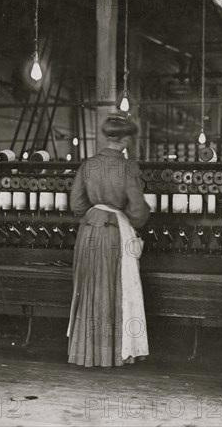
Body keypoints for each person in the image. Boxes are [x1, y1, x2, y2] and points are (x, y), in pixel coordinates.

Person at [67, 112, 150, 367]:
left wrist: (93, 214)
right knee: (115, 289)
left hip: (89, 230)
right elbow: (138, 210)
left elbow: (76, 203)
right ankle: (112, 353)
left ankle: (85, 353)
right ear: (125, 139)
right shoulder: (127, 167)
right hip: (114, 231)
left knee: (90, 287)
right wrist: (134, 221)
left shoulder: (88, 164)